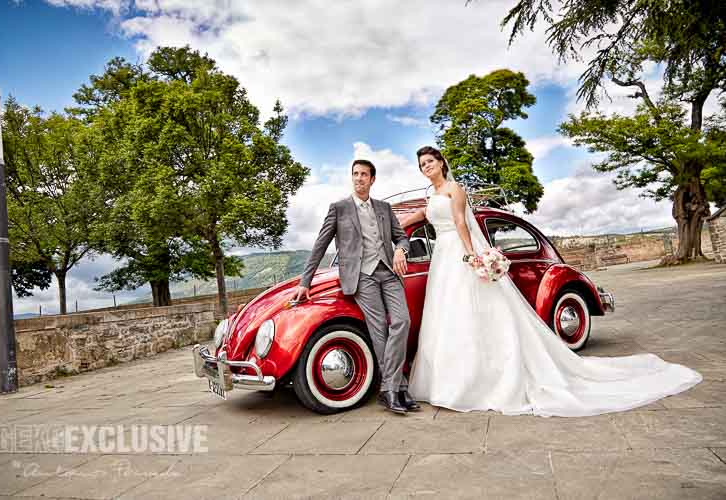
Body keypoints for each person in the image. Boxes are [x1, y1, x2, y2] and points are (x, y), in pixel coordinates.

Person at [402, 145, 702, 416]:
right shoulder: (432, 196)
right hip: (442, 256)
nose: (426, 167)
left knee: (472, 311)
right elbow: (423, 214)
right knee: (447, 315)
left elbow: (458, 222)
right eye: (421, 165)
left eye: (430, 161)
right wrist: (391, 224)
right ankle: (448, 379)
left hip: (457, 251)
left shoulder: (455, 189)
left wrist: (471, 255)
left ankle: (481, 379)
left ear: (442, 162)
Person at [292, 159, 419, 414]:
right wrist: (305, 281)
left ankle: (390, 387)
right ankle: (396, 389)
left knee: (402, 321)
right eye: (355, 174)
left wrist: (401, 251)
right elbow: (320, 244)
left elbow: (401, 237)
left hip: (389, 272)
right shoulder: (339, 208)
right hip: (361, 277)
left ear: (372, 179)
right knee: (378, 329)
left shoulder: (384, 208)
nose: (359, 178)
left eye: (364, 174)